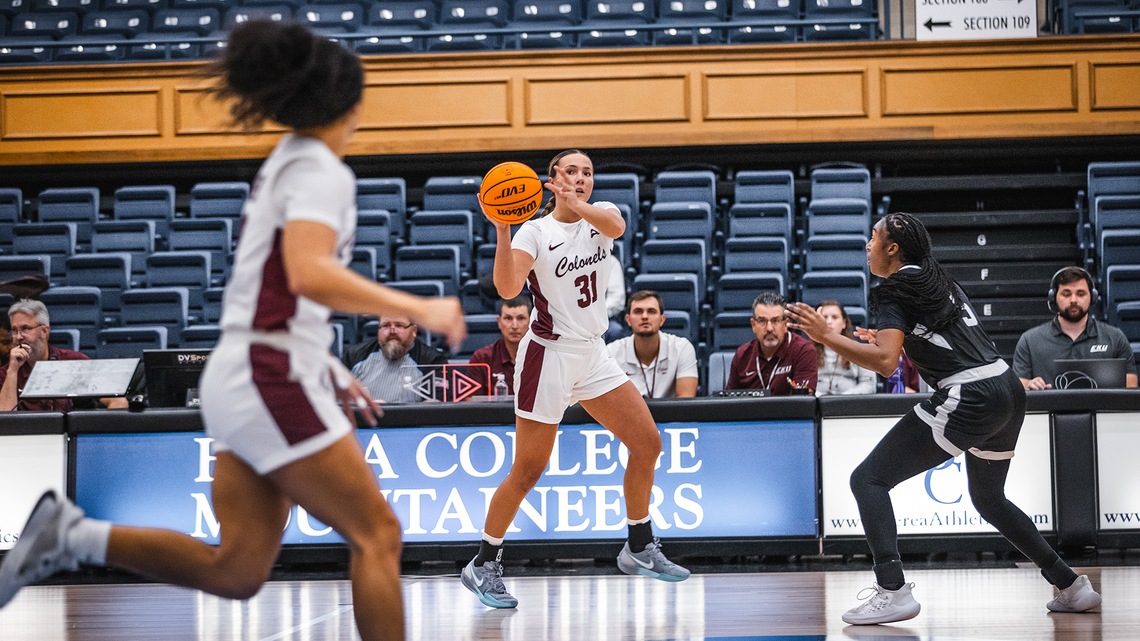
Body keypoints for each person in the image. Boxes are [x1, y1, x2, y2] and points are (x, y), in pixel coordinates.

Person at [0, 22, 466, 641]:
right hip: (267, 375)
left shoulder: (287, 162)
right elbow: (307, 272)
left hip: (247, 369)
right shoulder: (321, 171)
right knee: (377, 533)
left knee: (240, 569)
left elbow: (270, 283)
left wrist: (323, 362)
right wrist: (423, 308)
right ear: (354, 105)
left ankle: (74, 534)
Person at [786, 212, 1101, 625]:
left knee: (868, 479)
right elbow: (920, 340)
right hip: (1006, 386)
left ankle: (892, 590)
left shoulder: (893, 289)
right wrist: (882, 338)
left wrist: (827, 336)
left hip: (969, 394)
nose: (867, 245)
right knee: (989, 499)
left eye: (873, 237)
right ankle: (1071, 585)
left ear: (892, 248)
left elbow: (884, 364)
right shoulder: (937, 278)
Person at [462, 149, 689, 610]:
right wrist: (503, 227)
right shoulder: (536, 231)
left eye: (587, 172)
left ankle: (639, 545)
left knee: (647, 443)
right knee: (528, 469)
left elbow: (616, 227)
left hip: (594, 353)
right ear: (551, 179)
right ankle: (483, 562)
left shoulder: (603, 215)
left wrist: (575, 201)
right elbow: (508, 289)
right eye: (571, 171)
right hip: (547, 356)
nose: (581, 178)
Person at [1013, 266, 1137, 389]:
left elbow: (1131, 385)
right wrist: (1029, 385)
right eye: (1066, 294)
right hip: (1050, 409)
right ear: (1054, 298)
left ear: (1092, 298)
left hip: (1101, 409)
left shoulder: (1115, 338)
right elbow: (1018, 386)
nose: (1073, 300)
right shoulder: (1029, 341)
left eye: (1080, 294)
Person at [0, 299, 128, 411]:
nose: (18, 337)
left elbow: (118, 401)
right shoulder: (5, 374)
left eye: (25, 329)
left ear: (44, 331)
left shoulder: (73, 361)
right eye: (14, 330)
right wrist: (13, 371)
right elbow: (5, 419)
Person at [607, 290, 698, 398]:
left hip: (671, 415)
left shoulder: (682, 348)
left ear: (662, 319)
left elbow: (686, 401)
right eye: (638, 311)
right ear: (628, 320)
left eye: (651, 311)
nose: (645, 316)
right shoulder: (611, 352)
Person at [726, 291, 817, 395]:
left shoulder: (803, 350)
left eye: (775, 320)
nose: (769, 328)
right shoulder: (742, 355)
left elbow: (803, 404)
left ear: (785, 324)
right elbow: (730, 402)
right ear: (753, 325)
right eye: (762, 321)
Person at [347, 313, 448, 403]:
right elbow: (338, 401)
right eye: (386, 325)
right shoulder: (354, 356)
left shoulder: (433, 360)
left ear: (414, 330)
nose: (392, 331)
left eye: (399, 325)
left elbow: (435, 407)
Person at [468, 294, 533, 396]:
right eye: (508, 318)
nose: (514, 326)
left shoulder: (544, 358)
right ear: (499, 322)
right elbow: (471, 407)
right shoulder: (481, 359)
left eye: (521, 318)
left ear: (531, 322)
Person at [812, 300, 876, 396]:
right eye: (824, 317)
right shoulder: (807, 351)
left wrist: (844, 398)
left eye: (835, 317)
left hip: (849, 405)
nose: (829, 322)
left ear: (844, 323)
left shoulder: (858, 349)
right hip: (816, 405)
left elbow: (869, 385)